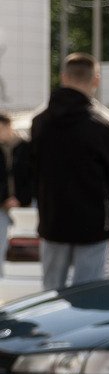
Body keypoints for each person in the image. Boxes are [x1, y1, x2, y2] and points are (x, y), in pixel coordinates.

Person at [30, 52, 109, 291]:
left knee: (50, 293)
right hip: (92, 222)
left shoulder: (39, 123)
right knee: (88, 293)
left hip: (52, 218)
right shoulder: (99, 126)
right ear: (95, 80)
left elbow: (31, 169)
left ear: (63, 77)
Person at [0, 114, 31, 274]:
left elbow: (33, 177)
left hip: (26, 205)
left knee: (28, 242)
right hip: (3, 205)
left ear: (8, 126)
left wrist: (19, 198)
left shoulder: (27, 147)